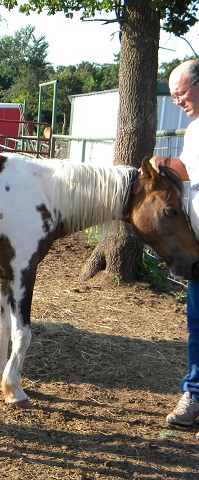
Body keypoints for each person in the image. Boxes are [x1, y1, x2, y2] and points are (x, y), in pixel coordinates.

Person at [149, 60, 199, 434]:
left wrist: (164, 163)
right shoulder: (194, 129)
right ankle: (195, 395)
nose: (176, 100)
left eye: (180, 92)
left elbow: (188, 169)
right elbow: (189, 171)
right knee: (197, 323)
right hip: (197, 245)